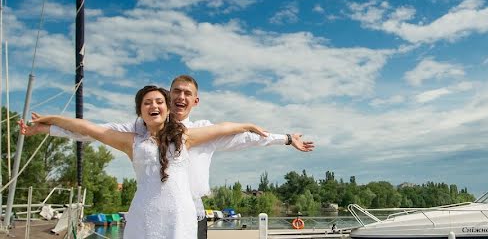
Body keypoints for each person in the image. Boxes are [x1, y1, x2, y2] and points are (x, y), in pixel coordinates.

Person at [21, 74, 314, 239]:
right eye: (175, 93)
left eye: (187, 93)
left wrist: (285, 138)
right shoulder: (136, 132)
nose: (180, 97)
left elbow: (241, 135)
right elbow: (92, 130)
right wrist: (49, 127)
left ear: (194, 100)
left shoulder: (196, 132)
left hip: (189, 213)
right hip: (147, 212)